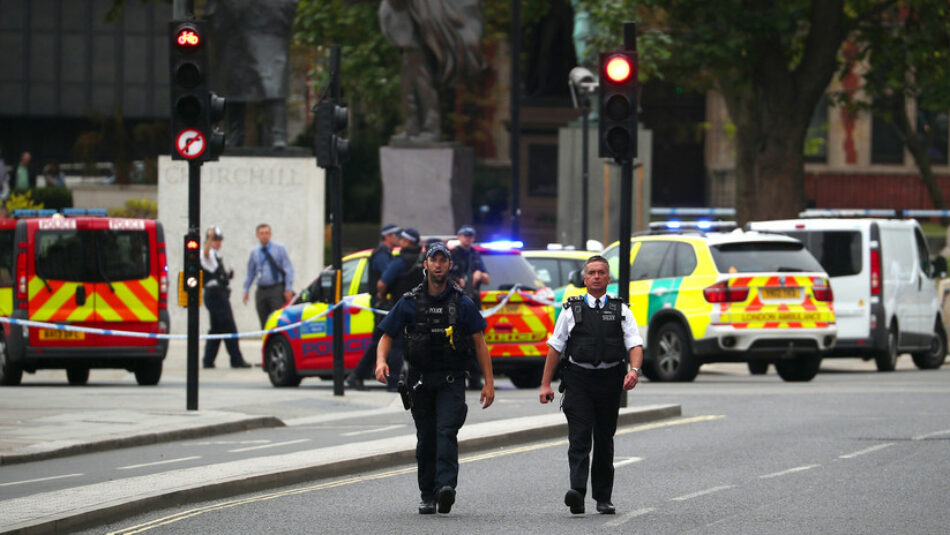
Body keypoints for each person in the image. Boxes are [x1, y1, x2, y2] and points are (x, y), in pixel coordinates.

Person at [374, 241, 495, 515]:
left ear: (449, 265)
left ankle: (445, 488)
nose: (438, 265)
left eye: (443, 260)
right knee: (426, 438)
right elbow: (386, 336)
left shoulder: (462, 303)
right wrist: (381, 362)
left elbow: (480, 343)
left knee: (446, 432)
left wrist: (488, 382)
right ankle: (428, 494)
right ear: (426, 264)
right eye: (434, 260)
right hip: (420, 381)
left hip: (451, 380)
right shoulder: (409, 302)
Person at [539, 255, 643, 515]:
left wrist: (634, 370)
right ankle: (577, 492)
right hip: (579, 381)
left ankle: (603, 498)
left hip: (609, 382)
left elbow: (634, 343)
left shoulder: (621, 310)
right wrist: (545, 385)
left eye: (601, 273)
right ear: (584, 279)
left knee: (604, 440)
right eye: (592, 273)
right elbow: (555, 346)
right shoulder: (570, 310)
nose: (596, 276)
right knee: (580, 437)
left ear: (608, 278)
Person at [345, 223, 402, 390]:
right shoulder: (382, 255)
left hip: (383, 303)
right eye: (394, 235)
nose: (396, 238)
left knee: (379, 341)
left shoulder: (387, 254)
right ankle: (358, 376)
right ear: (386, 237)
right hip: (382, 304)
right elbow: (387, 277)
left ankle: (357, 376)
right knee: (384, 340)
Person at [201, 226, 252, 369]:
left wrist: (227, 274)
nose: (218, 243)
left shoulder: (215, 256)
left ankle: (208, 360)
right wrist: (209, 238)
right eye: (215, 240)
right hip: (215, 296)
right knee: (230, 327)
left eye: (219, 240)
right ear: (209, 240)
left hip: (218, 295)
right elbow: (205, 254)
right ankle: (236, 360)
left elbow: (219, 275)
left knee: (216, 329)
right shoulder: (207, 253)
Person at [450, 224, 490, 390]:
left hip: (472, 302)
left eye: (470, 236)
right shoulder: (452, 254)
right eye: (465, 236)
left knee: (475, 341)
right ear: (459, 236)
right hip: (456, 302)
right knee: (457, 340)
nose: (468, 239)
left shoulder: (475, 255)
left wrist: (480, 274)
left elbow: (487, 279)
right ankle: (458, 375)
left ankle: (475, 377)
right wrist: (457, 281)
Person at [243, 223, 295, 328]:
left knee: (277, 320)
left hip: (276, 288)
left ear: (270, 234)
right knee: (264, 321)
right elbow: (250, 273)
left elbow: (288, 269)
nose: (264, 236)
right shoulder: (255, 252)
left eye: (266, 233)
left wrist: (288, 288)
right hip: (261, 290)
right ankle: (265, 342)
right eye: (261, 233)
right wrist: (246, 290)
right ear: (257, 235)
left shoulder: (279, 249)